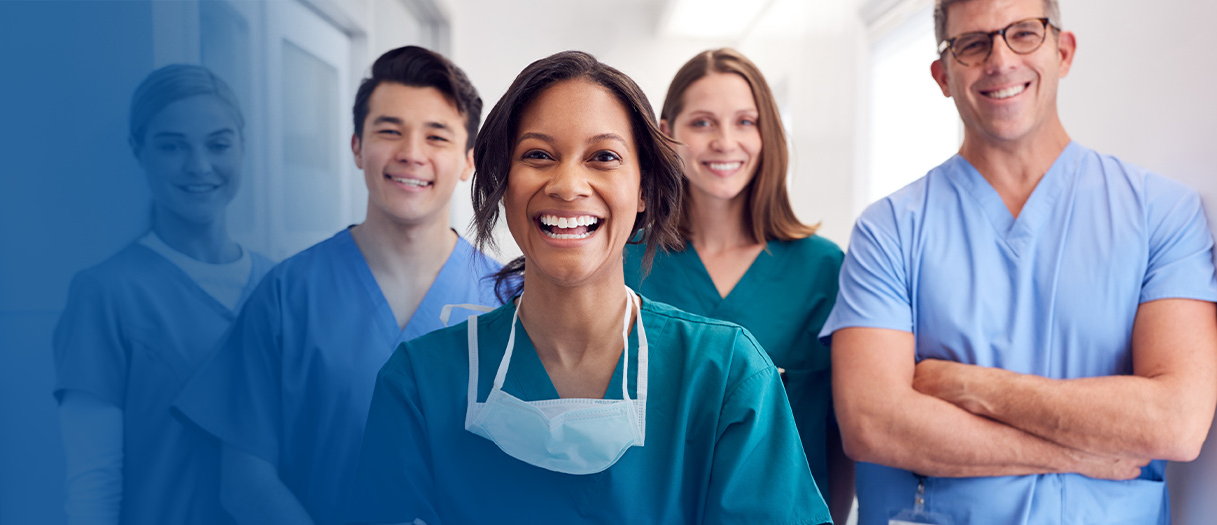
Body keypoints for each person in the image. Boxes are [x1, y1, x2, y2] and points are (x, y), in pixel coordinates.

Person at [351, 50, 830, 525]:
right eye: (538, 155)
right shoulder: (419, 382)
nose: (568, 184)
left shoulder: (726, 374)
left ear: (644, 189)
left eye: (604, 157)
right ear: (501, 180)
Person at [821, 0, 1217, 523]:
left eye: (1024, 33)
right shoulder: (888, 230)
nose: (1000, 60)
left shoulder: (1162, 213)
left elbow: (1177, 422)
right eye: (973, 44)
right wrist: (1080, 451)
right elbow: (872, 422)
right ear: (942, 75)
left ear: (1064, 51)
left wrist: (970, 386)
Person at [171, 46, 500, 525]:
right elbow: (244, 480)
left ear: (468, 159)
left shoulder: (508, 302)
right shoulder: (287, 295)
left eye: (437, 136)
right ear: (356, 147)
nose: (411, 153)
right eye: (390, 131)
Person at [623, 47, 851, 521]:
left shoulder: (824, 269)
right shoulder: (625, 262)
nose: (725, 141)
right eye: (703, 123)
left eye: (745, 122)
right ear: (667, 134)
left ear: (767, 133)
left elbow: (841, 435)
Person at [54, 64, 273, 524]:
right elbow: (93, 485)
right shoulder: (105, 294)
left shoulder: (280, 286)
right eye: (172, 146)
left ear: (242, 146)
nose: (198, 166)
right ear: (138, 151)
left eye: (218, 144)